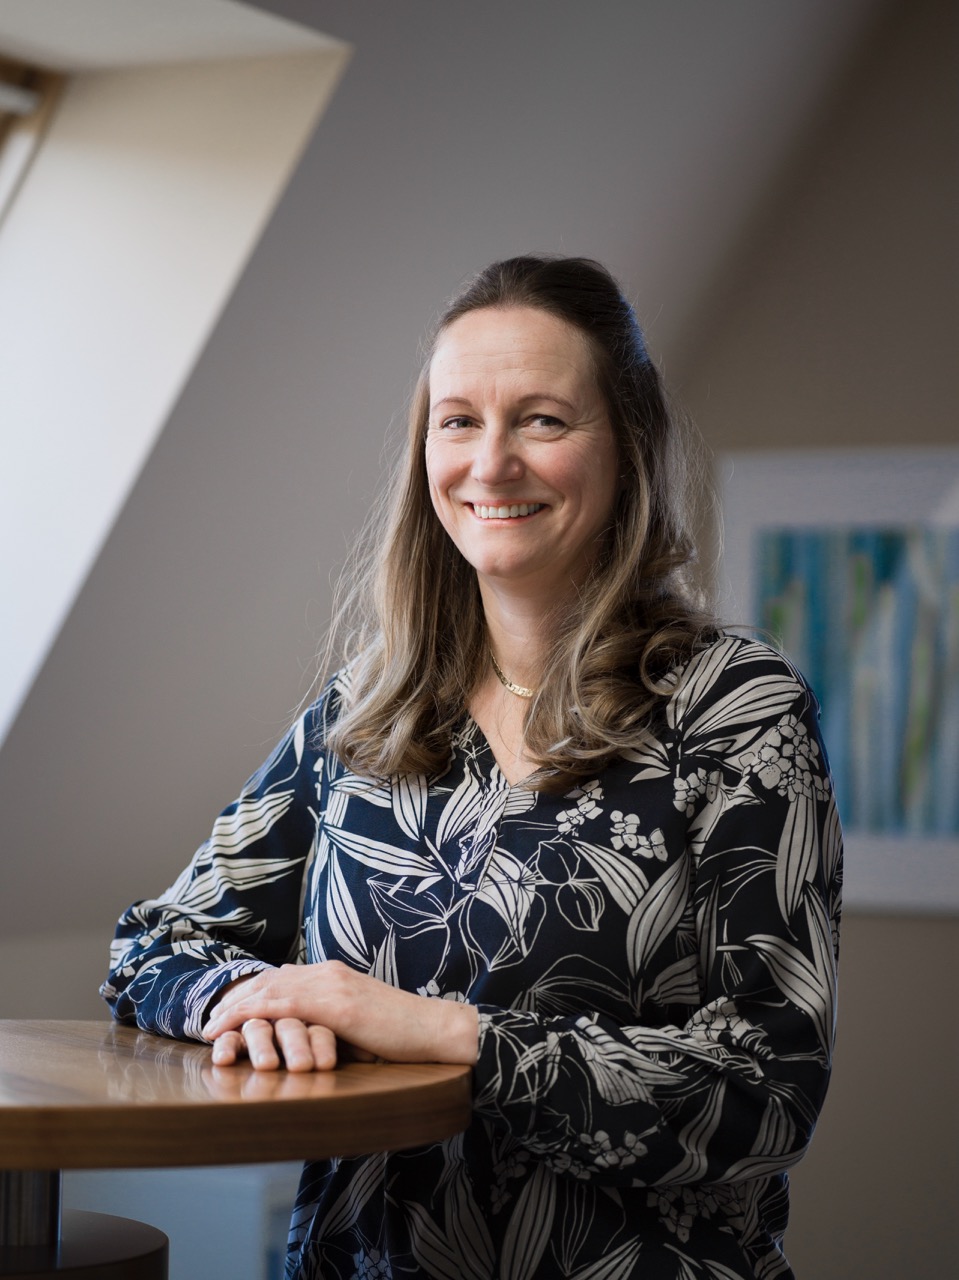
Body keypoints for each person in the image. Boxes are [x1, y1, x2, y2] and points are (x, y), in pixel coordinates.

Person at [103, 256, 842, 1280]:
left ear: (626, 446)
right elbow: (150, 945)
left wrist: (442, 1034)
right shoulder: (362, 713)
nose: (489, 463)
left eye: (540, 419)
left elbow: (769, 1087)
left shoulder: (732, 705)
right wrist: (245, 996)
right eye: (456, 421)